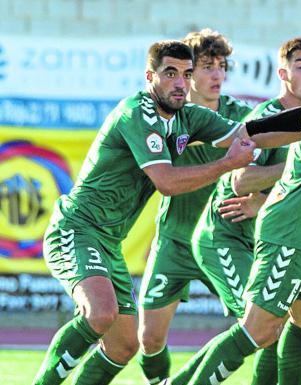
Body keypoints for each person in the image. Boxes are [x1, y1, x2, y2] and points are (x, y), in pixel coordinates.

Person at [32, 40, 258, 385]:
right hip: (76, 229)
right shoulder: (136, 112)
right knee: (100, 312)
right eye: (170, 74)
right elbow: (166, 181)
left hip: (109, 244)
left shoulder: (190, 117)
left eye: (185, 74)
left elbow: (250, 134)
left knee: (124, 346)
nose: (179, 83)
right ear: (150, 76)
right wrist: (227, 164)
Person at [180, 36, 301, 385]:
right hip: (227, 236)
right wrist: (295, 173)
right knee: (263, 325)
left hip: (271, 237)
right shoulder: (268, 118)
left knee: (298, 321)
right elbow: (241, 179)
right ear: (282, 73)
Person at [135, 29, 253, 385]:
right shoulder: (169, 115)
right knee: (149, 339)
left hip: (225, 240)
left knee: (257, 322)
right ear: (186, 74)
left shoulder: (241, 114)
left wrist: (261, 198)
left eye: (221, 66)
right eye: (206, 67)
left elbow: (281, 158)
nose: (216, 75)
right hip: (176, 239)